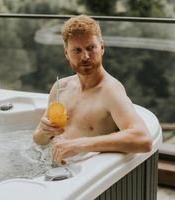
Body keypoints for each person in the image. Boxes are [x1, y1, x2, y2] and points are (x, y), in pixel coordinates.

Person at [33, 15, 152, 164]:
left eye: (91, 48)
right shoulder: (60, 87)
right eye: (77, 50)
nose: (85, 56)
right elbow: (38, 139)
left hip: (81, 174)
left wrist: (78, 145)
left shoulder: (110, 91)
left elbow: (143, 140)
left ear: (102, 47)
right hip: (54, 168)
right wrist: (45, 131)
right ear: (66, 54)